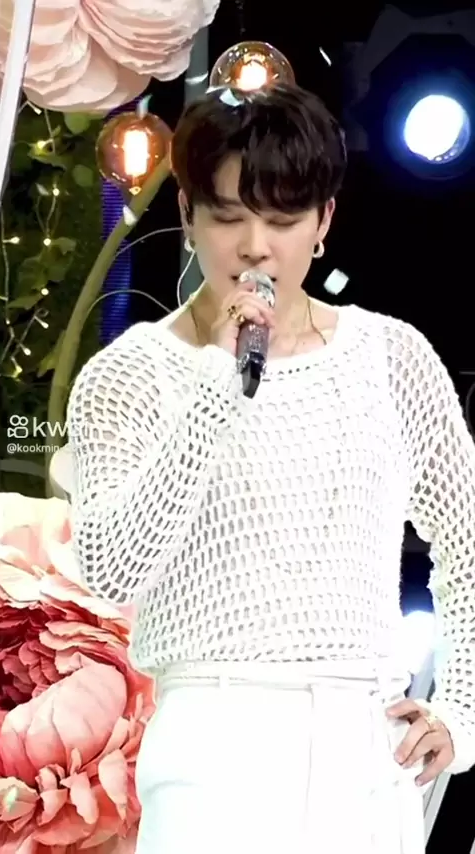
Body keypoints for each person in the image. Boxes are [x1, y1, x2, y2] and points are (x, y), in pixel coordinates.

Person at [67, 84, 475, 854]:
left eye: (284, 219)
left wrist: (462, 711)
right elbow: (112, 569)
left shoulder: (392, 359)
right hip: (209, 744)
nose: (256, 245)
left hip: (365, 743)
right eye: (228, 215)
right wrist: (215, 392)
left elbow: (469, 543)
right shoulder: (128, 376)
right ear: (187, 213)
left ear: (323, 222)